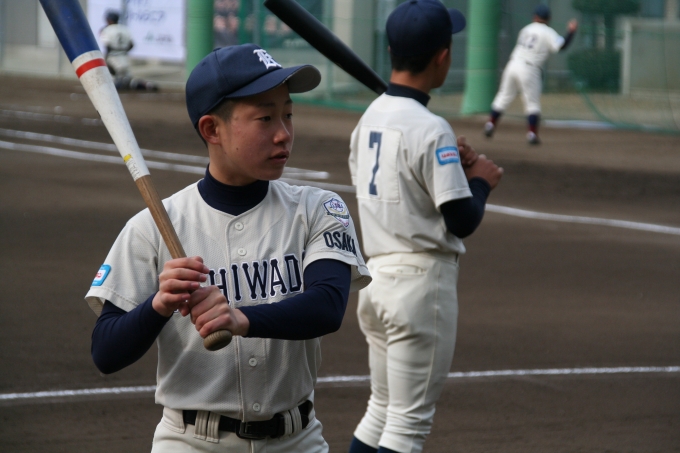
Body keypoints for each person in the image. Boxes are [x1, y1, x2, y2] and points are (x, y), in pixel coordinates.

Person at [85, 44, 371, 452]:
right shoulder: (152, 228)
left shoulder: (318, 208)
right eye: (265, 118)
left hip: (297, 441)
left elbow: (327, 306)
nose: (283, 133)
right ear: (212, 130)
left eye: (288, 114)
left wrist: (241, 318)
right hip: (191, 443)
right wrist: (158, 305)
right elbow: (106, 352)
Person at [347, 1, 503, 452]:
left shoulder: (368, 119)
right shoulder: (432, 128)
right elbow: (461, 219)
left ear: (391, 51)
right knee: (407, 425)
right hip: (419, 287)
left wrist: (451, 164)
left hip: (376, 281)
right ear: (443, 56)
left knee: (381, 410)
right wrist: (480, 181)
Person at [484, 4, 578, 144]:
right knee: (532, 102)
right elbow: (561, 46)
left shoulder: (526, 29)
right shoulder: (547, 31)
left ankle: (490, 124)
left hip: (512, 64)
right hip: (529, 68)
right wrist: (571, 31)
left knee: (503, 96)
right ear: (549, 18)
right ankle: (532, 134)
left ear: (535, 17)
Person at [99, 10, 157, 91]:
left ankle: (120, 83)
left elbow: (108, 46)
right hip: (124, 57)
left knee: (113, 83)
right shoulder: (124, 28)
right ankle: (147, 85)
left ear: (110, 20)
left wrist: (106, 58)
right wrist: (123, 51)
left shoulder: (106, 29)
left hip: (113, 57)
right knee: (127, 79)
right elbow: (131, 45)